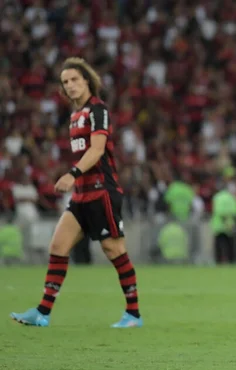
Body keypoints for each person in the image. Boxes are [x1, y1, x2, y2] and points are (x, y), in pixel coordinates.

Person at [10, 58, 142, 328]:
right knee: (58, 246)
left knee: (114, 249)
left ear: (87, 80)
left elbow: (96, 150)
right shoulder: (74, 116)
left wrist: (72, 173)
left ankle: (133, 314)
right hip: (81, 195)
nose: (70, 85)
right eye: (65, 82)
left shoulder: (98, 109)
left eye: (74, 80)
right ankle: (42, 313)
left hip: (102, 191)